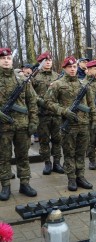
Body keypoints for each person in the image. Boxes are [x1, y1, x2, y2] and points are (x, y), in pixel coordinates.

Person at [45, 56, 96, 191]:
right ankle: (72, 178)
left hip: (83, 124)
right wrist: (63, 111)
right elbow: (48, 102)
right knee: (69, 153)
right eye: (70, 67)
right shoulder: (57, 84)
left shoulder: (84, 85)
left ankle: (81, 176)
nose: (73, 69)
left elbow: (91, 104)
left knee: (81, 153)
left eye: (74, 67)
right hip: (68, 126)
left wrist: (95, 119)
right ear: (64, 68)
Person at [0, 48, 39, 201]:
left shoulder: (22, 80)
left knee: (23, 157)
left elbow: (32, 102)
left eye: (8, 58)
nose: (6, 60)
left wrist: (34, 121)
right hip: (3, 128)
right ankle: (5, 186)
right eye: (3, 58)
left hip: (22, 126)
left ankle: (25, 183)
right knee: (3, 158)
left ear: (12, 60)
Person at [31, 51, 64, 175]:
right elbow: (31, 96)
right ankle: (47, 163)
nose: (48, 62)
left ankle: (56, 163)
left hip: (56, 114)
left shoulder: (58, 76)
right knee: (44, 141)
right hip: (42, 115)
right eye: (46, 61)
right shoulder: (34, 77)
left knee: (57, 140)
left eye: (50, 60)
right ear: (40, 62)